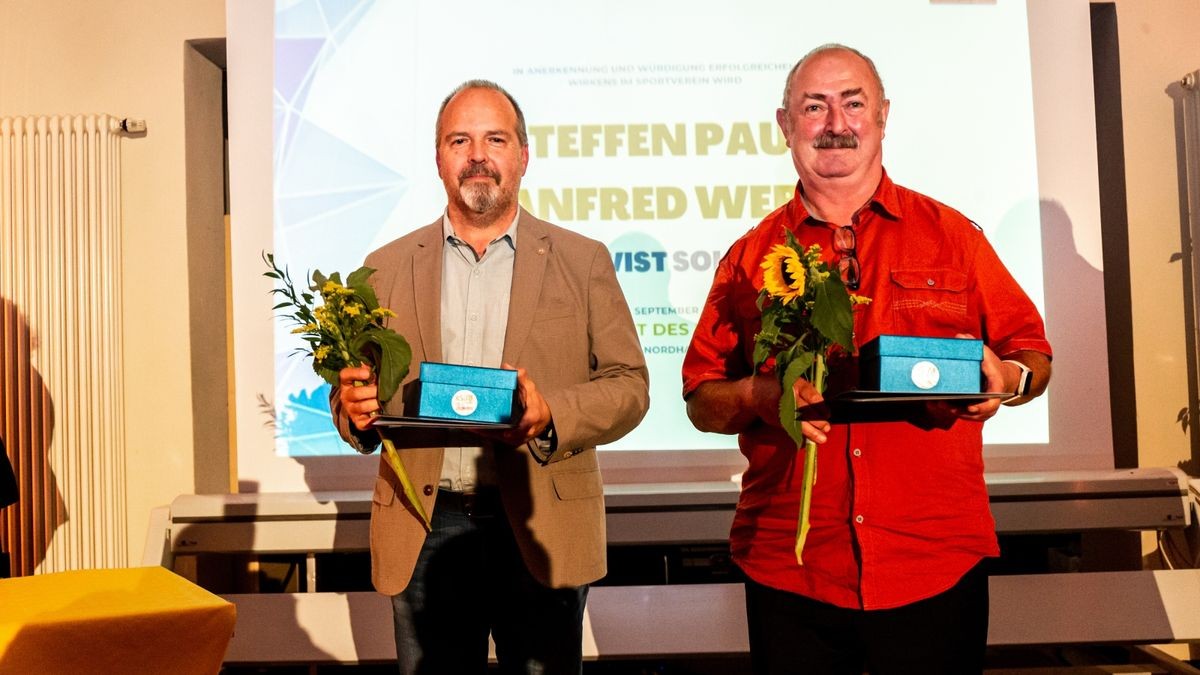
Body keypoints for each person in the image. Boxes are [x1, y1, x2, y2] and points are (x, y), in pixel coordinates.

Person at [682, 44, 1052, 674]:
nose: (835, 123)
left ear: (882, 116)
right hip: (792, 566)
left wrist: (1009, 379)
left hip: (932, 558)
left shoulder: (952, 236)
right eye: (814, 106)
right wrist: (758, 398)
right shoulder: (750, 256)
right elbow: (700, 398)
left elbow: (1031, 353)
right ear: (784, 125)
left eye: (853, 104)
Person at [330, 80, 649, 674]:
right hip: (426, 526)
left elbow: (630, 385)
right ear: (439, 158)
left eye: (494, 139)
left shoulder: (583, 261)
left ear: (523, 156)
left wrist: (550, 411)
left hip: (538, 517)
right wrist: (350, 408)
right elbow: (353, 394)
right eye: (460, 140)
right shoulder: (384, 267)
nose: (477, 154)